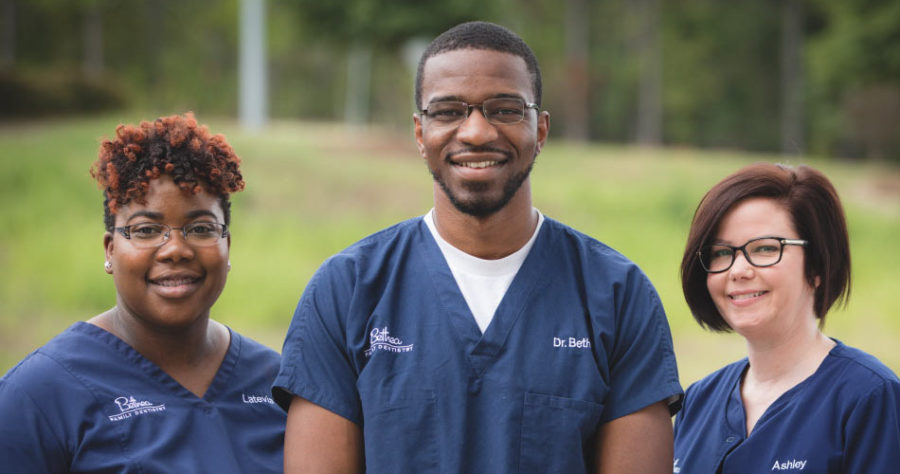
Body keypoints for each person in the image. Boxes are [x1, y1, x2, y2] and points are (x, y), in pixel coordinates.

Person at [273, 21, 682, 473]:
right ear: (418, 133)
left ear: (540, 130)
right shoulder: (347, 291)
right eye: (447, 111)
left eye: (505, 109)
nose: (476, 131)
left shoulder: (616, 295)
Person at [0, 113, 286, 472]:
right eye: (147, 230)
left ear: (227, 246)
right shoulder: (38, 396)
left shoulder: (278, 383)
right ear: (110, 251)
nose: (175, 249)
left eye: (200, 228)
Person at [673, 163, 900, 473]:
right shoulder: (698, 401)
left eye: (766, 248)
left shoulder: (868, 396)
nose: (738, 270)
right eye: (721, 252)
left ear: (817, 266)